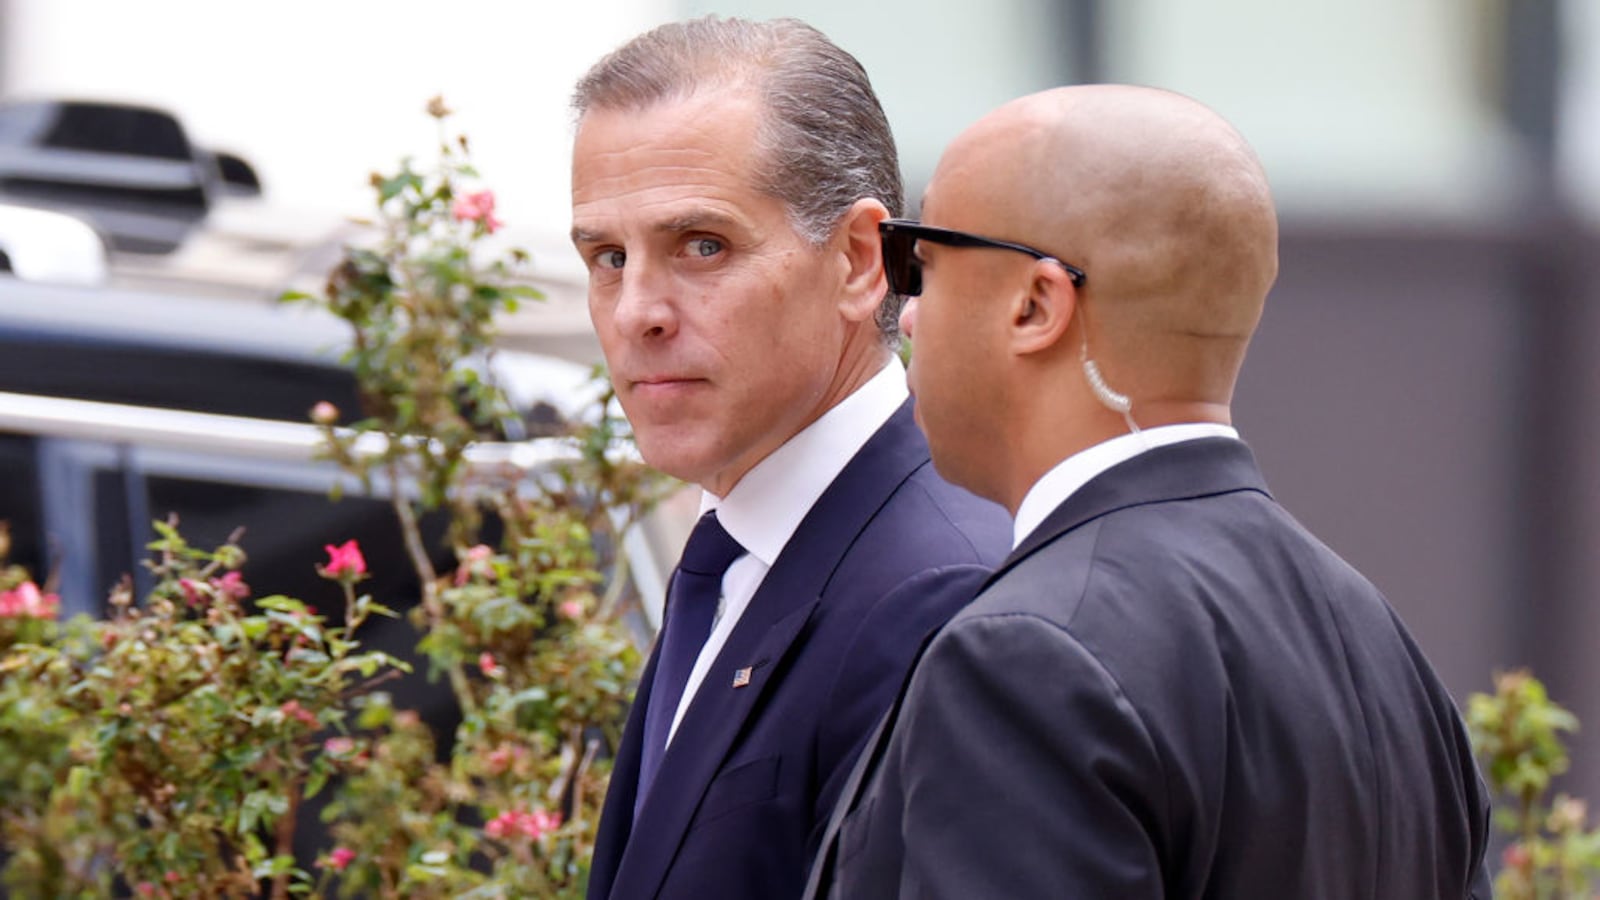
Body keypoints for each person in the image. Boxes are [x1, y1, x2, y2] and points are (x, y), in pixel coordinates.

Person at [804, 85, 1494, 899]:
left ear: (1035, 305)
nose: (905, 313)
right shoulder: (1379, 645)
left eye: (920, 262)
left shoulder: (1026, 657)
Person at [568, 16, 1010, 900]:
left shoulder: (941, 589)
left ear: (856, 260)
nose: (636, 314)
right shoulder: (736, 549)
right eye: (609, 257)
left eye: (703, 246)